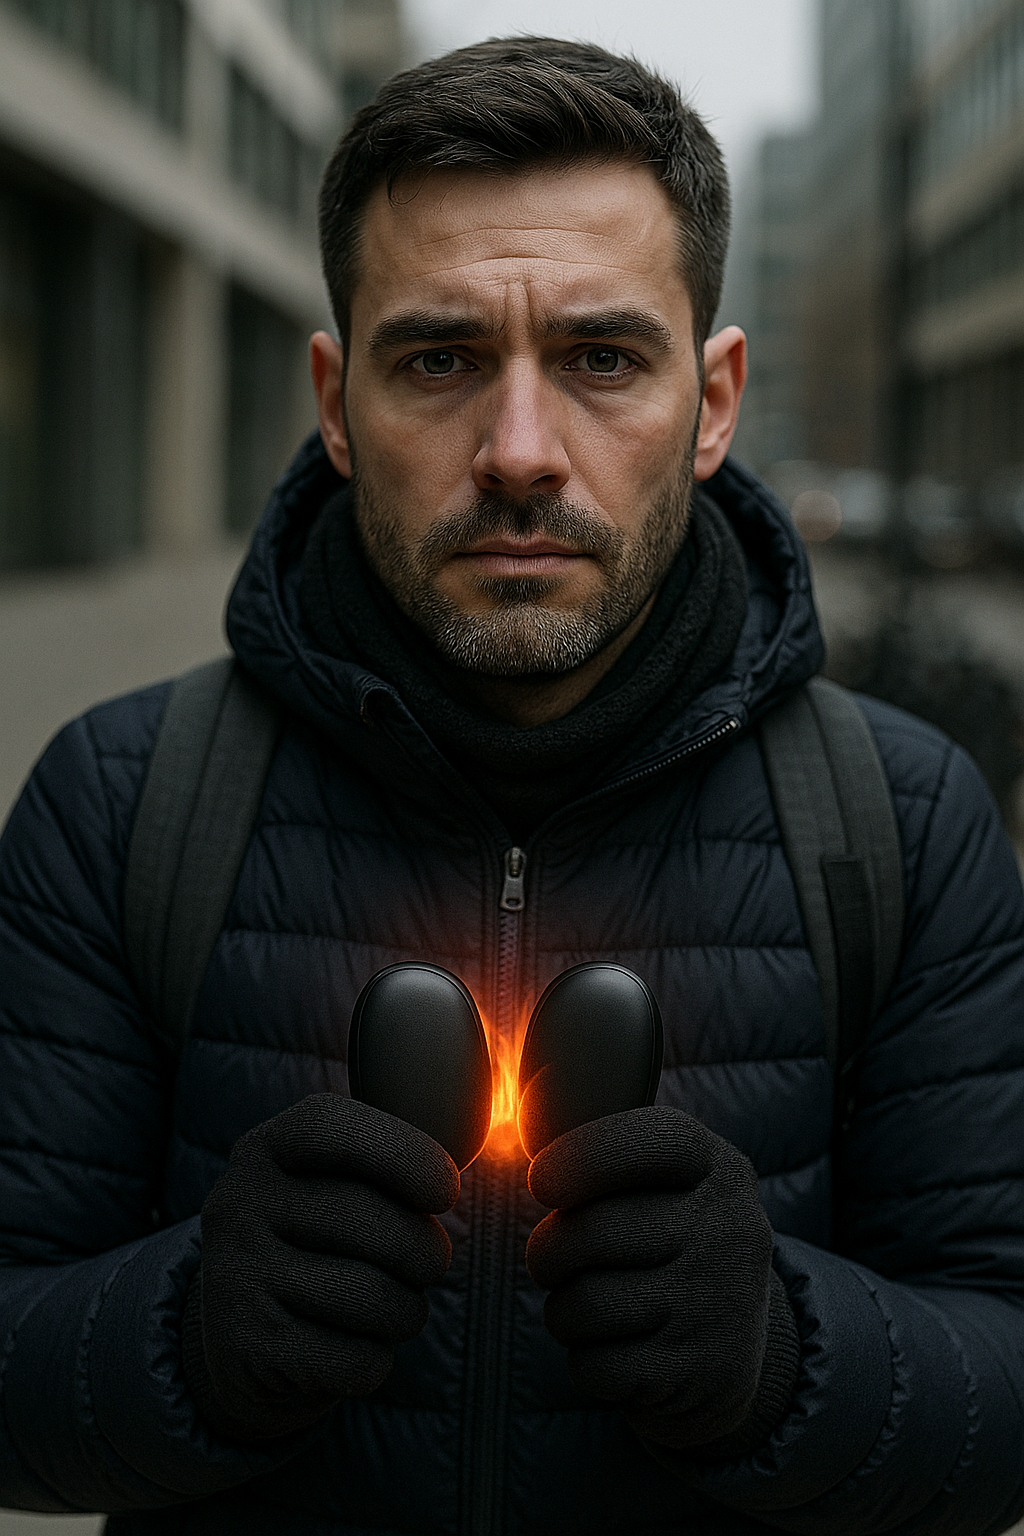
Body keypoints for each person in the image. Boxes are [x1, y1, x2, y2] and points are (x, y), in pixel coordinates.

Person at [1, 35, 1022, 1536]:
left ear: (715, 400)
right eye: (440, 360)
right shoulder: (123, 799)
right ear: (336, 402)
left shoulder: (904, 823)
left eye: (603, 359)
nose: (522, 453)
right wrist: (185, 1337)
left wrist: (787, 1357)